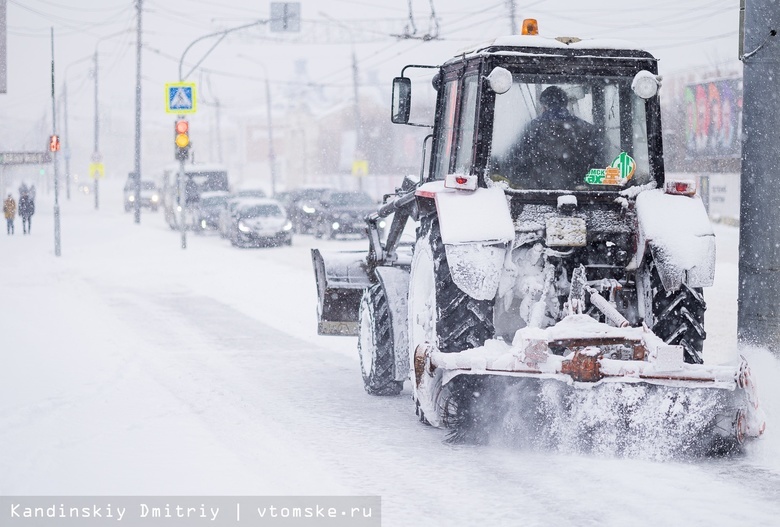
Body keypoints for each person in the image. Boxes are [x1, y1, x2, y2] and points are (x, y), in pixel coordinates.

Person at [502, 85, 606, 189]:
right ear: (565, 104)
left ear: (544, 106)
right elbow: (600, 167)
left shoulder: (531, 129)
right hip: (581, 197)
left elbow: (514, 163)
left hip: (535, 196)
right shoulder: (587, 129)